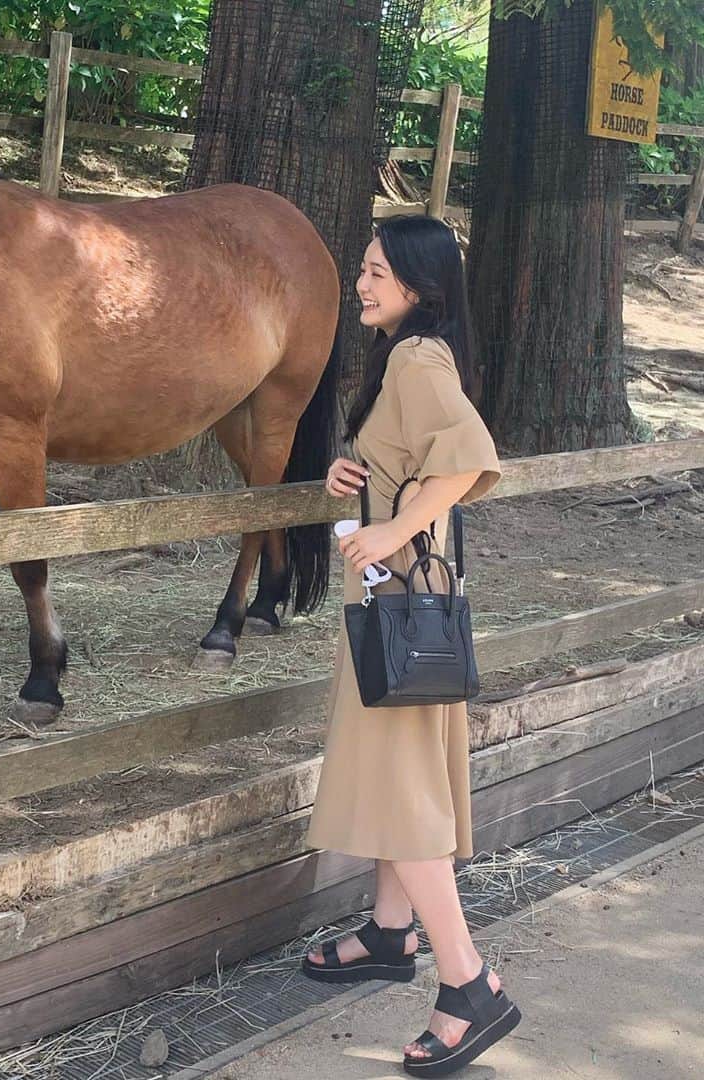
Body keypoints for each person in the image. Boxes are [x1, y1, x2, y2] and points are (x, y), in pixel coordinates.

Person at [301, 215, 520, 1077]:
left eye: (379, 272)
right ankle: (391, 934)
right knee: (399, 784)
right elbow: (419, 461)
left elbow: (469, 460)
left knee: (406, 796)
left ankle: (470, 985)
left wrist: (392, 529)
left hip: (399, 599)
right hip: (399, 599)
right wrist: (353, 479)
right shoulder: (408, 358)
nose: (363, 282)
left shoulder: (416, 357)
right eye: (362, 268)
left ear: (422, 288)